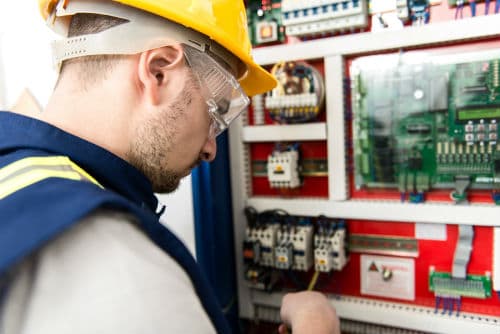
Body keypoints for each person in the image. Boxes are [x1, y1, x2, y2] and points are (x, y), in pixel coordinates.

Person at [0, 0, 340, 333]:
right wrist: (316, 326)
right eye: (215, 113)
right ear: (158, 71)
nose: (211, 150)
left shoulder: (15, 169)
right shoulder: (118, 268)